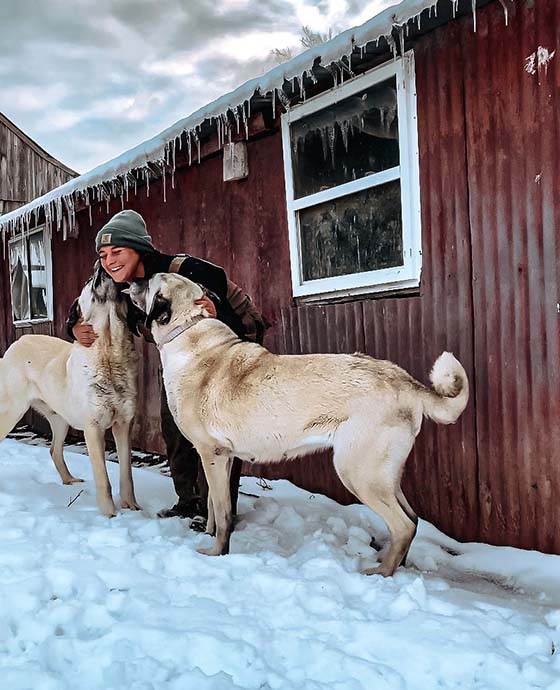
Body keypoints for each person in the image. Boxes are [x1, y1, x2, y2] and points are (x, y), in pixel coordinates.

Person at [68, 209, 269, 524]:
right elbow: (81, 306)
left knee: (216, 424)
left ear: (139, 249)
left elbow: (231, 311)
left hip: (231, 341)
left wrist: (217, 311)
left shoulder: (183, 270)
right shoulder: (115, 283)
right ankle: (188, 500)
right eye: (103, 254)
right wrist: (74, 330)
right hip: (182, 353)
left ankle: (217, 510)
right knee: (174, 424)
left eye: (117, 251)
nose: (109, 260)